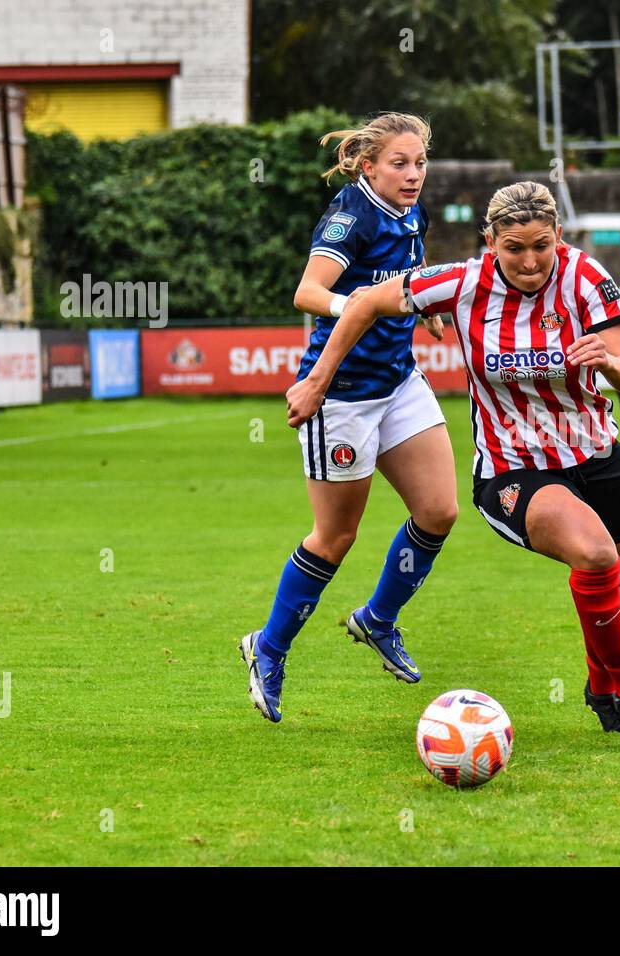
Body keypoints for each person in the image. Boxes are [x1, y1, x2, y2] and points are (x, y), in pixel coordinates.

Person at [288, 181, 620, 734]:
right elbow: (366, 302)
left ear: (558, 235)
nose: (530, 261)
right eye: (514, 248)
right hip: (512, 469)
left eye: (541, 245)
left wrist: (612, 366)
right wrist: (317, 381)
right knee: (595, 555)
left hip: (597, 454)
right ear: (490, 242)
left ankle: (603, 688)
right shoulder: (461, 282)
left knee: (617, 581)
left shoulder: (588, 278)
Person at [241, 113, 458, 722]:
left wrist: (424, 307)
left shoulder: (411, 212)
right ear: (369, 167)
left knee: (439, 511)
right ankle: (268, 647)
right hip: (341, 394)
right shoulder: (350, 215)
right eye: (399, 163)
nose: (413, 174)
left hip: (398, 380)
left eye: (420, 163)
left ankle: (378, 619)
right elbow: (307, 292)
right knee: (336, 537)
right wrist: (358, 306)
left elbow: (409, 273)